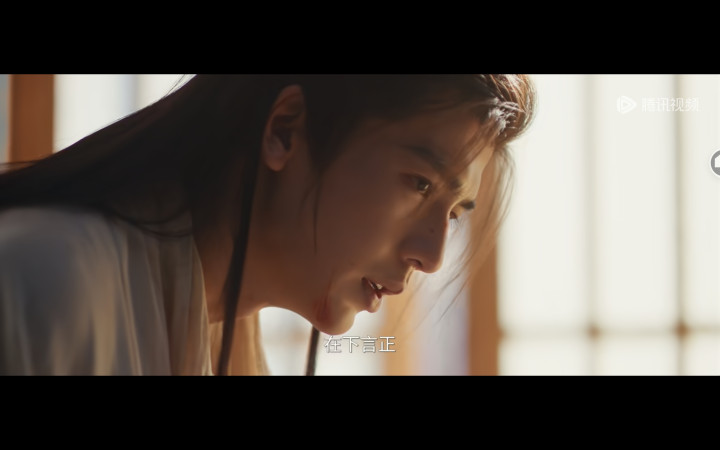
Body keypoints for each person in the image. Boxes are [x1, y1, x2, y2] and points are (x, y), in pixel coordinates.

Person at [0, 75, 536, 375]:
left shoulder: (224, 345)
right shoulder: (41, 282)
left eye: (454, 213)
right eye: (420, 184)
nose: (433, 256)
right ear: (285, 130)